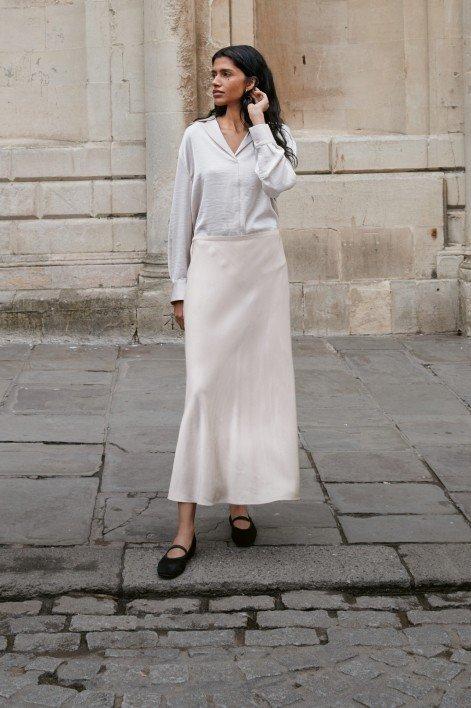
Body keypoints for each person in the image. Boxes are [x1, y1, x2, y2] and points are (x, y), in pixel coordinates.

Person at [158, 44, 300, 579]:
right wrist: (179, 287)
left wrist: (261, 124)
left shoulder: (276, 138)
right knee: (203, 390)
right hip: (213, 268)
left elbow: (281, 183)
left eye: (226, 74)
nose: (215, 82)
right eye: (212, 74)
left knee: (251, 390)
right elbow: (181, 214)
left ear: (251, 81)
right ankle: (185, 529)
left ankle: (239, 504)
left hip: (262, 271)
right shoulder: (196, 137)